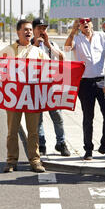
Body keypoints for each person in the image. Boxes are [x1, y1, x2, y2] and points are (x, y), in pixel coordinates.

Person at [64, 17, 105, 160]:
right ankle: (88, 149)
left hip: (103, 80)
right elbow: (66, 48)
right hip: (85, 83)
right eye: (81, 22)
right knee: (88, 117)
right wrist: (72, 32)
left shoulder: (102, 36)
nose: (85, 24)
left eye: (87, 22)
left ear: (92, 24)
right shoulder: (77, 38)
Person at [0, 19, 49, 173]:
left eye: (29, 30)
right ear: (18, 32)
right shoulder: (7, 51)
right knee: (12, 131)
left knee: (33, 131)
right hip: (13, 97)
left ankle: (35, 160)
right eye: (25, 30)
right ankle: (11, 161)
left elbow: (52, 69)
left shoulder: (38, 52)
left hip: (33, 97)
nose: (28, 32)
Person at [31, 18, 71, 157]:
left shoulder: (51, 44)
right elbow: (23, 61)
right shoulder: (29, 45)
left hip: (51, 86)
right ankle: (41, 144)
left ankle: (61, 143)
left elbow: (62, 58)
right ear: (34, 30)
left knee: (57, 116)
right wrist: (35, 46)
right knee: (38, 119)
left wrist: (48, 44)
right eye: (39, 28)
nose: (42, 31)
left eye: (44, 28)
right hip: (36, 86)